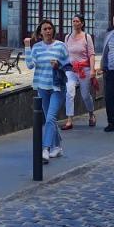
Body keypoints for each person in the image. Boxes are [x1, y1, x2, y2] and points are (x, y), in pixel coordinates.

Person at [24, 19, 69, 160]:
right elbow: (30, 65)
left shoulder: (61, 46)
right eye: (45, 29)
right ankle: (58, 147)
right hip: (42, 87)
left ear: (53, 30)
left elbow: (69, 65)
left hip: (57, 87)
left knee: (50, 118)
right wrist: (27, 47)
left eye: (50, 28)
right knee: (51, 119)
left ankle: (45, 148)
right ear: (40, 32)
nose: (48, 31)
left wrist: (58, 65)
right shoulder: (37, 47)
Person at [62, 15, 96, 130]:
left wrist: (92, 70)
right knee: (69, 92)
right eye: (73, 21)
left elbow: (91, 54)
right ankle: (69, 119)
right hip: (71, 69)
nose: (75, 23)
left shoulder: (87, 37)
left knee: (85, 95)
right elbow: (64, 54)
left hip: (84, 69)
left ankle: (91, 114)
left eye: (77, 21)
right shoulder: (67, 37)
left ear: (82, 23)